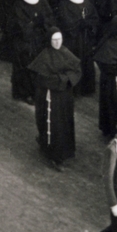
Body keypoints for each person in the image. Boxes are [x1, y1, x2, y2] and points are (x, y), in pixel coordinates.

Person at [30, 29, 81, 170]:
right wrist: (63, 79)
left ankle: (66, 149)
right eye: (54, 40)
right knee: (53, 123)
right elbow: (42, 78)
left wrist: (62, 79)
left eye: (59, 39)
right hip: (50, 96)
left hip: (65, 96)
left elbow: (77, 70)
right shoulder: (44, 55)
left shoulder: (66, 52)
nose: (57, 42)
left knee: (65, 121)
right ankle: (54, 154)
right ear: (49, 41)